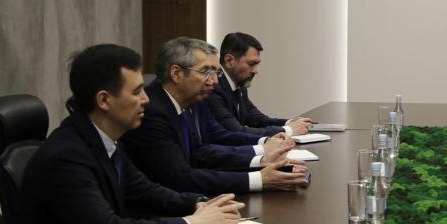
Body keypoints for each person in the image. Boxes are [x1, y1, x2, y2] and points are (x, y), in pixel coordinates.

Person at [14, 44, 244, 224]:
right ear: (104, 100)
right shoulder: (67, 157)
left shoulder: (104, 140)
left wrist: (199, 204)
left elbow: (144, 191)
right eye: (136, 92)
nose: (146, 99)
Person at [123, 38, 310, 195]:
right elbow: (180, 178)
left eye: (216, 73)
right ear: (176, 74)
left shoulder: (187, 101)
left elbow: (200, 154)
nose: (214, 81)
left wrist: (261, 161)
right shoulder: (153, 112)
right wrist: (258, 179)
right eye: (206, 72)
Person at [208, 32, 312, 136]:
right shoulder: (213, 87)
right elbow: (235, 131)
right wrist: (288, 130)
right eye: (251, 64)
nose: (255, 71)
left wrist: (290, 123)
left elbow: (257, 119)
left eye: (257, 64)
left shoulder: (239, 84)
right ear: (229, 61)